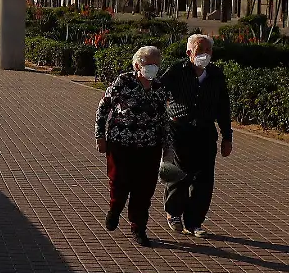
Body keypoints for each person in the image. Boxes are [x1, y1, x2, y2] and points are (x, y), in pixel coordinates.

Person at [158, 33, 233, 237]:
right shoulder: (176, 71)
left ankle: (194, 222)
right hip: (179, 130)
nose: (205, 55)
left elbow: (223, 107)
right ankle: (173, 212)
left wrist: (227, 137)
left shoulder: (216, 75)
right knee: (179, 174)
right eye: (200, 51)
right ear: (189, 52)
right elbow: (158, 92)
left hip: (205, 132)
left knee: (204, 179)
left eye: (208, 50)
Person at [95, 45, 170, 246]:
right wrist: (99, 135)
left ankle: (138, 228)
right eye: (148, 64)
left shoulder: (159, 88)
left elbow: (164, 117)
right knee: (120, 181)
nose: (152, 68)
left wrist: (167, 146)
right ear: (137, 64)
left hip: (149, 146)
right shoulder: (123, 82)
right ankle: (115, 208)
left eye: (156, 64)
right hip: (121, 143)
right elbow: (104, 107)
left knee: (144, 189)